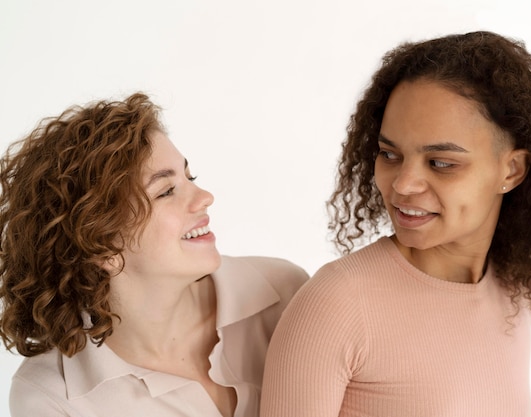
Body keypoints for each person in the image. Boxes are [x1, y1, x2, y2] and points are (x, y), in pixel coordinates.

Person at [260, 31, 531, 417]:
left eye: (441, 163)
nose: (402, 184)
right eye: (389, 154)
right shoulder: (339, 303)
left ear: (511, 171)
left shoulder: (513, 288)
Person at [0, 93, 309, 417]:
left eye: (190, 177)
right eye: (166, 191)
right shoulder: (51, 395)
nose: (205, 197)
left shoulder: (284, 293)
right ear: (101, 246)